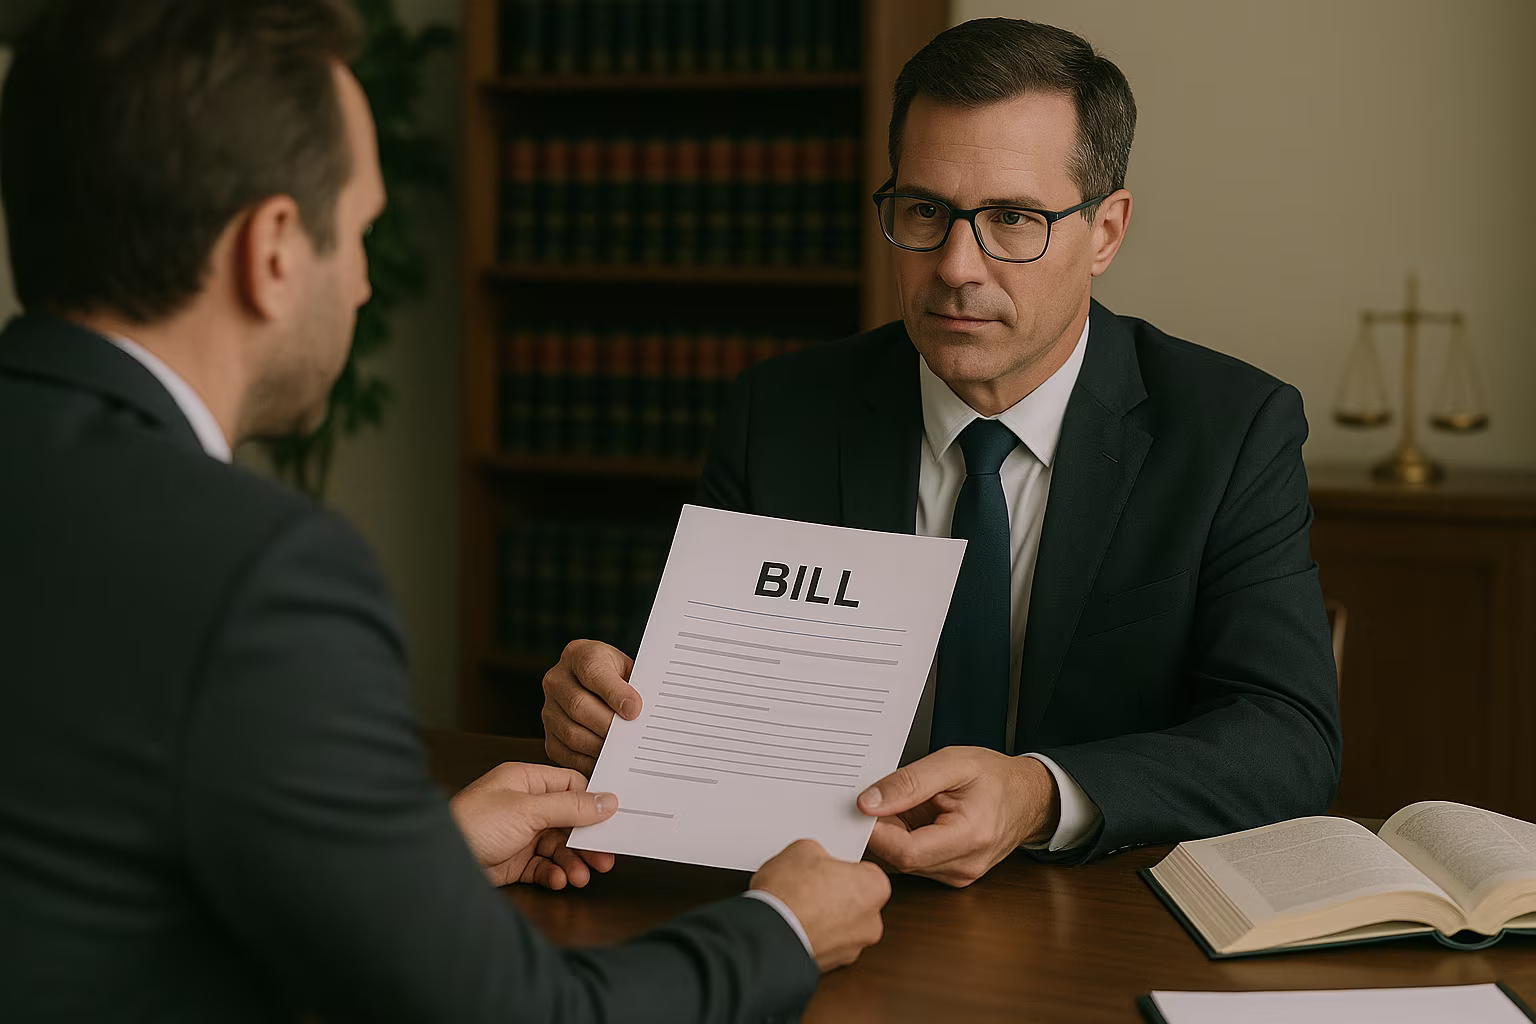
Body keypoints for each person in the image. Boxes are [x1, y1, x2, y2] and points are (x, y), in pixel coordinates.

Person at [0, 1, 888, 1020]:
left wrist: (409, 857)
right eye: (363, 231)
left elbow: (84, 862)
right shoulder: (262, 573)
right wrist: (779, 927)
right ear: (276, 248)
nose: (368, 281)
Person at [541, 18, 1343, 884]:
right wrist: (604, 708)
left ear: (1106, 232)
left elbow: (1287, 738)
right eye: (925, 210)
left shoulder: (1230, 428)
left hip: (1094, 915)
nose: (958, 264)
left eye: (1011, 219)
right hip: (826, 896)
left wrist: (1042, 794)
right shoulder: (782, 412)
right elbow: (679, 695)